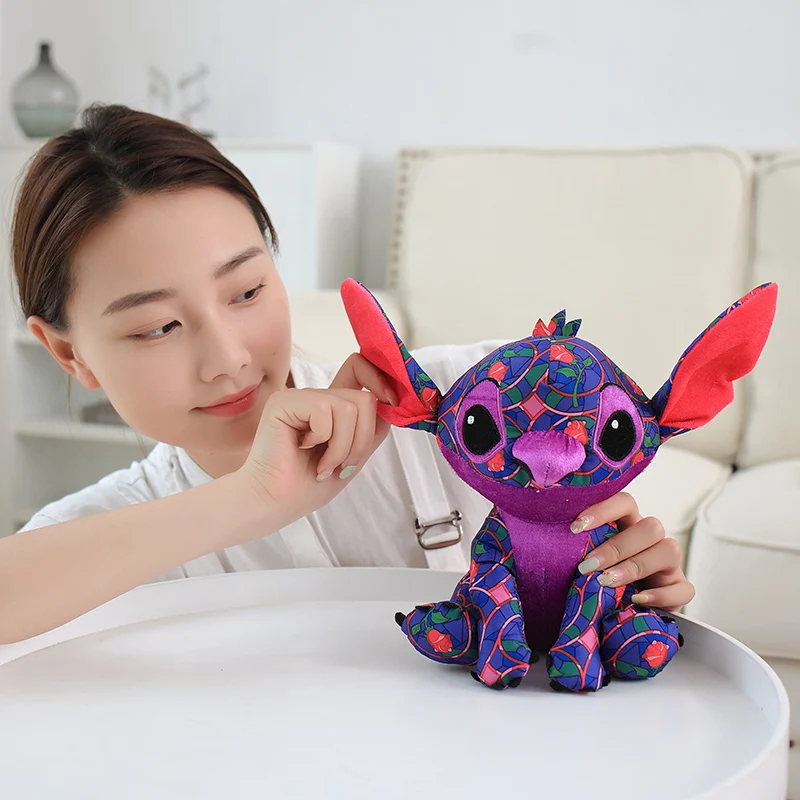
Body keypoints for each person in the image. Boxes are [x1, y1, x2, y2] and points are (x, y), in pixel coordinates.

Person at [0, 104, 693, 645]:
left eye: (246, 290)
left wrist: (632, 585)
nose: (229, 359)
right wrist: (252, 500)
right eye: (157, 327)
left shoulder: (471, 408)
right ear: (69, 354)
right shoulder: (88, 540)